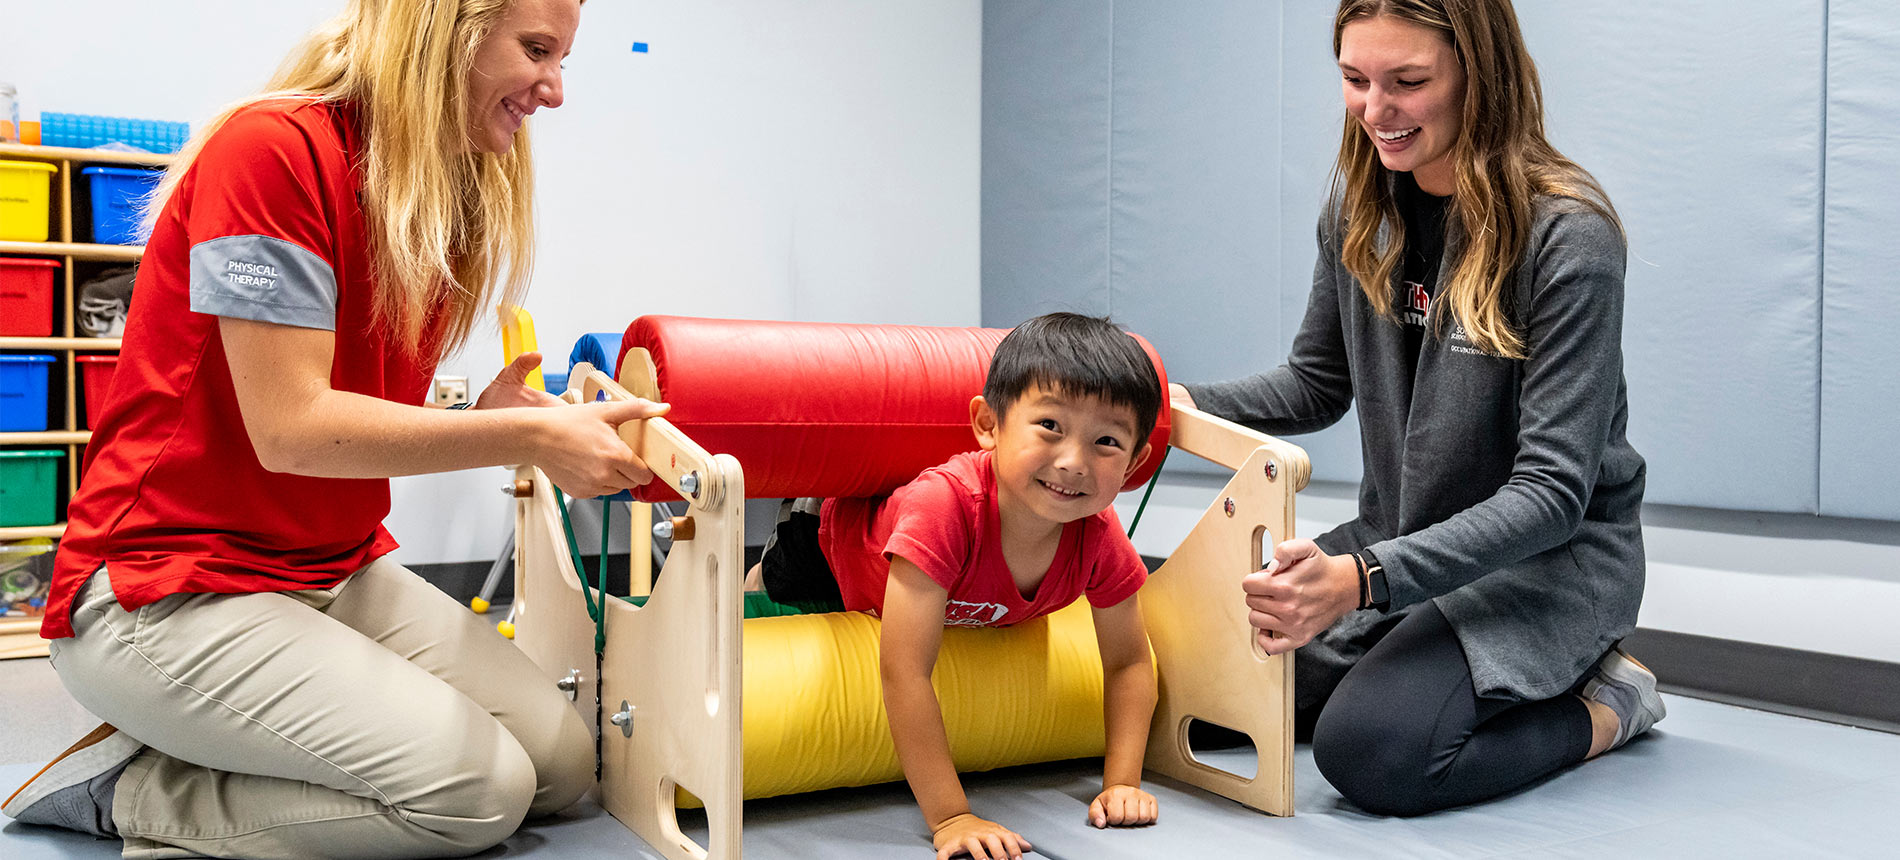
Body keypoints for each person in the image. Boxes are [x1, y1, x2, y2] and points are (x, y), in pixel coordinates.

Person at [0, 1, 669, 857]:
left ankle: (238, 736)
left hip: (326, 567)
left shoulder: (434, 188)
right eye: (537, 50)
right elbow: (292, 429)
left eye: (563, 58)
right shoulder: (269, 152)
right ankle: (126, 789)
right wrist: (527, 441)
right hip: (163, 587)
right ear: (444, 34)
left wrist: (483, 418)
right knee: (478, 794)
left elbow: (344, 410)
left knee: (562, 764)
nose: (556, 90)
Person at [1171, 0, 1664, 817]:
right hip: (1395, 547)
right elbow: (1314, 384)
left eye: (1408, 82)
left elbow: (1550, 495)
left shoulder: (1568, 235)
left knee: (1372, 752)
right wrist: (1176, 406)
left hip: (1545, 568)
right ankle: (1401, 655)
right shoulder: (1358, 212)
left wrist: (1363, 581)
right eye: (1354, 80)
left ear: (1481, 75)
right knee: (1198, 681)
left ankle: (1610, 705)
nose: (1375, 111)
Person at [755, 313, 1162, 860]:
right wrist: (952, 815)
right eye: (1050, 427)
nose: (1073, 462)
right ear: (988, 424)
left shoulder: (1099, 535)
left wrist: (1123, 783)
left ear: (1136, 462)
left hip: (938, 585)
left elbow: (1130, 662)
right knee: (769, 594)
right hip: (829, 539)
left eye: (1106, 441)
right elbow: (904, 670)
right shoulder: (943, 509)